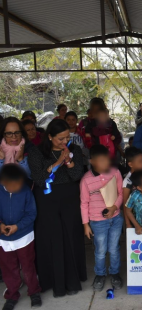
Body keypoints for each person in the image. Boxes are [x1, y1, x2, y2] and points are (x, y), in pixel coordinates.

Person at [28, 119, 86, 297]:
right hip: (47, 199)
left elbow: (78, 175)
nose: (64, 141)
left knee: (71, 234)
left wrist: (68, 162)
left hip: (69, 197)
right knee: (51, 237)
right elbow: (38, 178)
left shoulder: (74, 150)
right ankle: (53, 281)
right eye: (60, 138)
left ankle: (73, 279)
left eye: (67, 137)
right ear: (50, 137)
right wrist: (57, 162)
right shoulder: (37, 152)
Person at [80, 145, 124, 292]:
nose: (105, 164)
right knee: (100, 250)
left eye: (107, 160)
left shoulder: (115, 172)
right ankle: (100, 274)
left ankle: (114, 272)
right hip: (98, 222)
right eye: (101, 161)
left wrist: (114, 207)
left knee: (114, 248)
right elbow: (84, 203)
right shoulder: (86, 180)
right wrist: (86, 224)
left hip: (116, 218)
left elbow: (120, 194)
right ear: (91, 161)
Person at [0, 164, 42, 310]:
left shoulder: (25, 192)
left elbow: (32, 214)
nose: (18, 187)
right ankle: (12, 294)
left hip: (24, 237)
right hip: (3, 240)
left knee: (28, 266)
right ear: (3, 182)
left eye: (20, 183)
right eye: (14, 184)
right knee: (9, 268)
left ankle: (34, 291)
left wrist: (17, 226)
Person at [123, 147, 142, 228]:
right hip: (135, 220)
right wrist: (128, 223)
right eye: (140, 162)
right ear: (130, 164)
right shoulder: (128, 181)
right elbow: (125, 204)